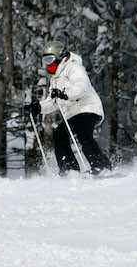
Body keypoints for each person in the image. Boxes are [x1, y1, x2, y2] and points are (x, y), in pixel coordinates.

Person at [24, 41, 112, 174]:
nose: (48, 64)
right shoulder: (55, 79)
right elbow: (53, 102)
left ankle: (101, 166)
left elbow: (82, 86)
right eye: (45, 60)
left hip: (88, 108)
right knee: (59, 134)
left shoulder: (73, 68)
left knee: (84, 134)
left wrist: (64, 93)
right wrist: (38, 107)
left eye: (50, 59)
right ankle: (69, 169)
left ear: (59, 56)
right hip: (73, 114)